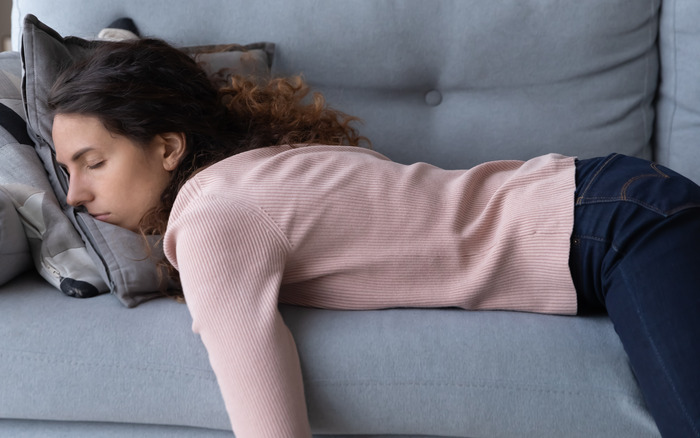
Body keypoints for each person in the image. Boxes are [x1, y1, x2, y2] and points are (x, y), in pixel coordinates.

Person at [48, 38, 699, 438]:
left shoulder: (214, 219)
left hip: (618, 227)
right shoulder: (251, 176)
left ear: (166, 147)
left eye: (93, 162)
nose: (74, 195)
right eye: (66, 171)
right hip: (612, 205)